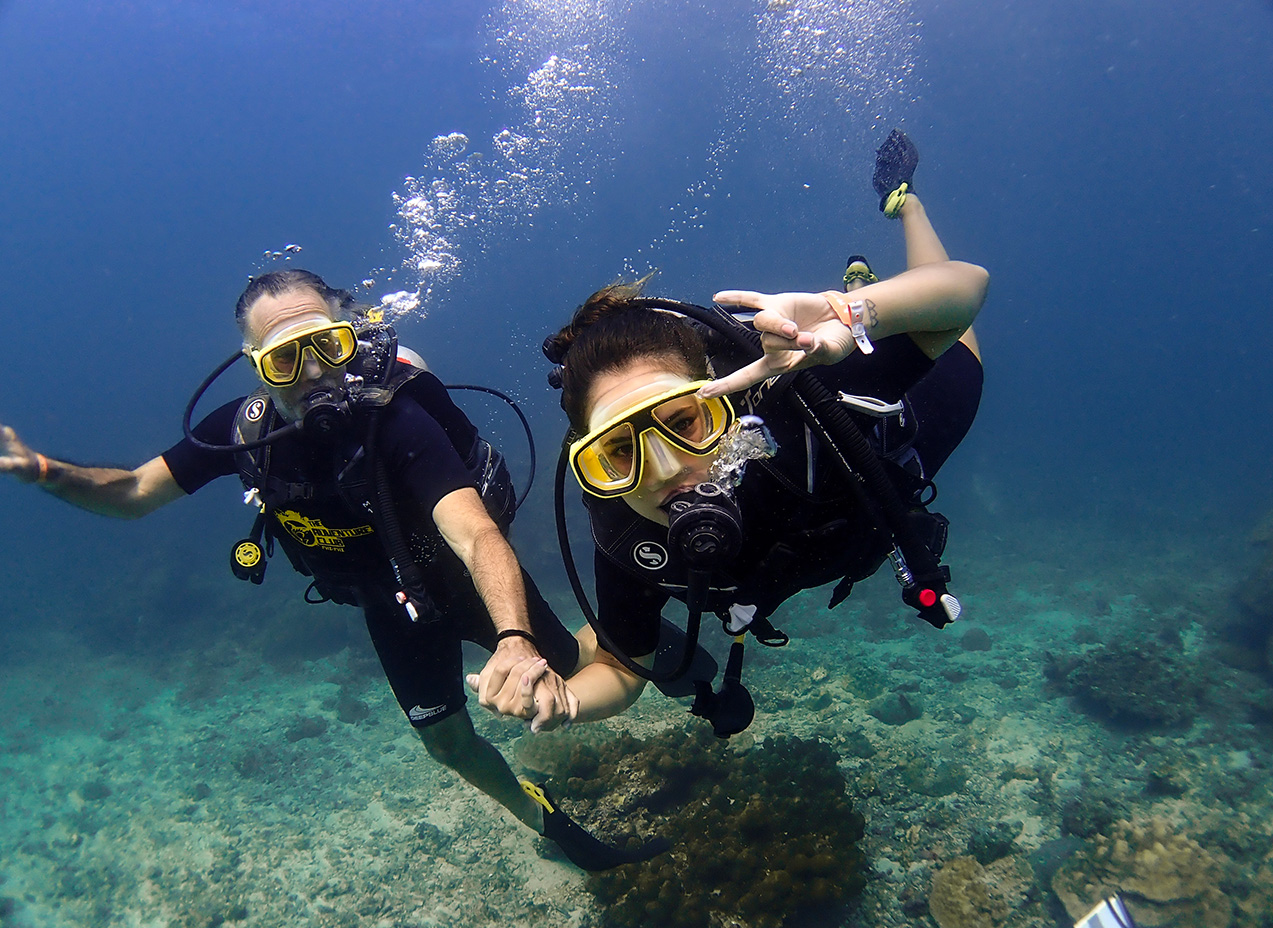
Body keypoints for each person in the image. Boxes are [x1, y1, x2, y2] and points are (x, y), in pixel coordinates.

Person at [0, 269, 656, 869]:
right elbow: (132, 495)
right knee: (448, 746)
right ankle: (551, 828)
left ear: (350, 339)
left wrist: (514, 639)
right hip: (387, 604)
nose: (314, 373)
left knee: (573, 670)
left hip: (462, 582)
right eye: (286, 359)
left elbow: (478, 534)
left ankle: (642, 637)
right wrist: (46, 472)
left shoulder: (394, 421)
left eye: (327, 346)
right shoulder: (242, 432)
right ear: (257, 369)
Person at [474, 131, 989, 730]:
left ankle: (903, 205)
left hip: (907, 434)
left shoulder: (788, 404)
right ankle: (866, 292)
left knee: (949, 337)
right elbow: (625, 665)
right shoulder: (621, 526)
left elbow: (966, 289)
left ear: (728, 402)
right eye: (617, 451)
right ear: (590, 462)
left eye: (684, 422)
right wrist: (564, 703)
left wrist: (851, 313)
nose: (663, 471)